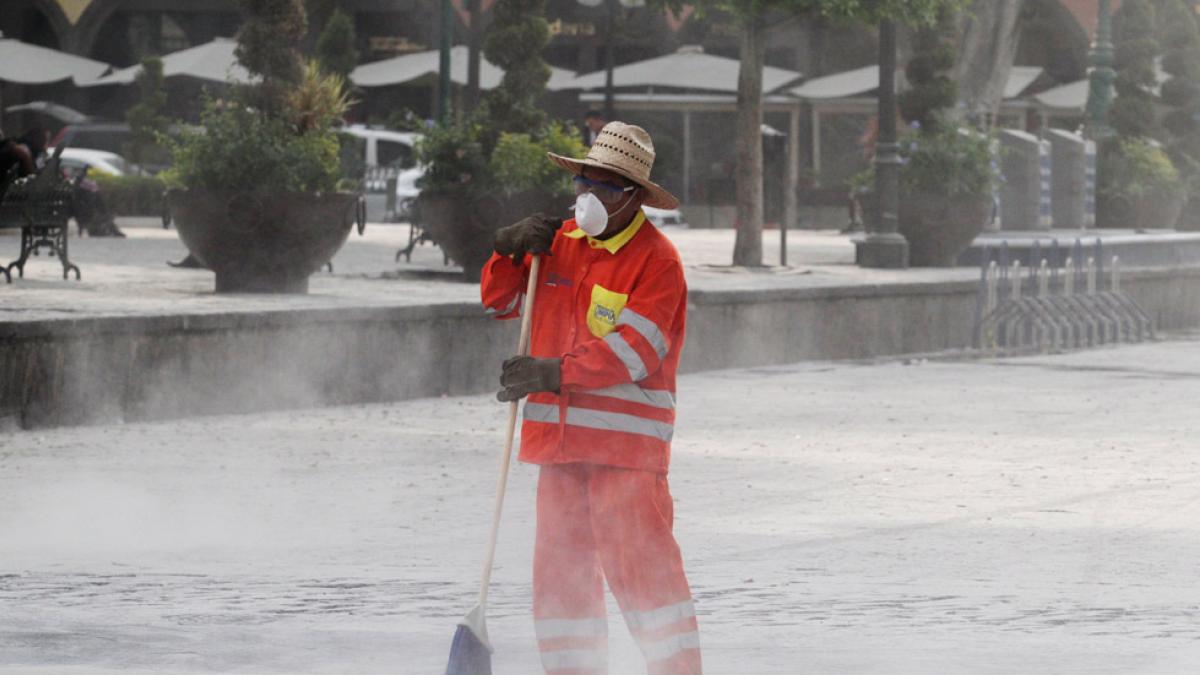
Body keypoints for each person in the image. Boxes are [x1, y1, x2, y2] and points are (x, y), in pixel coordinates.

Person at [480, 122, 702, 675]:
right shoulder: (558, 244)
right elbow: (500, 302)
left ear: (633, 197)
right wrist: (506, 248)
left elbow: (635, 353)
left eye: (604, 186)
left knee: (646, 579)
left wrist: (552, 372)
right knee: (561, 583)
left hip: (624, 456)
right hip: (558, 449)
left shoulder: (658, 261)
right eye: (583, 182)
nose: (588, 195)